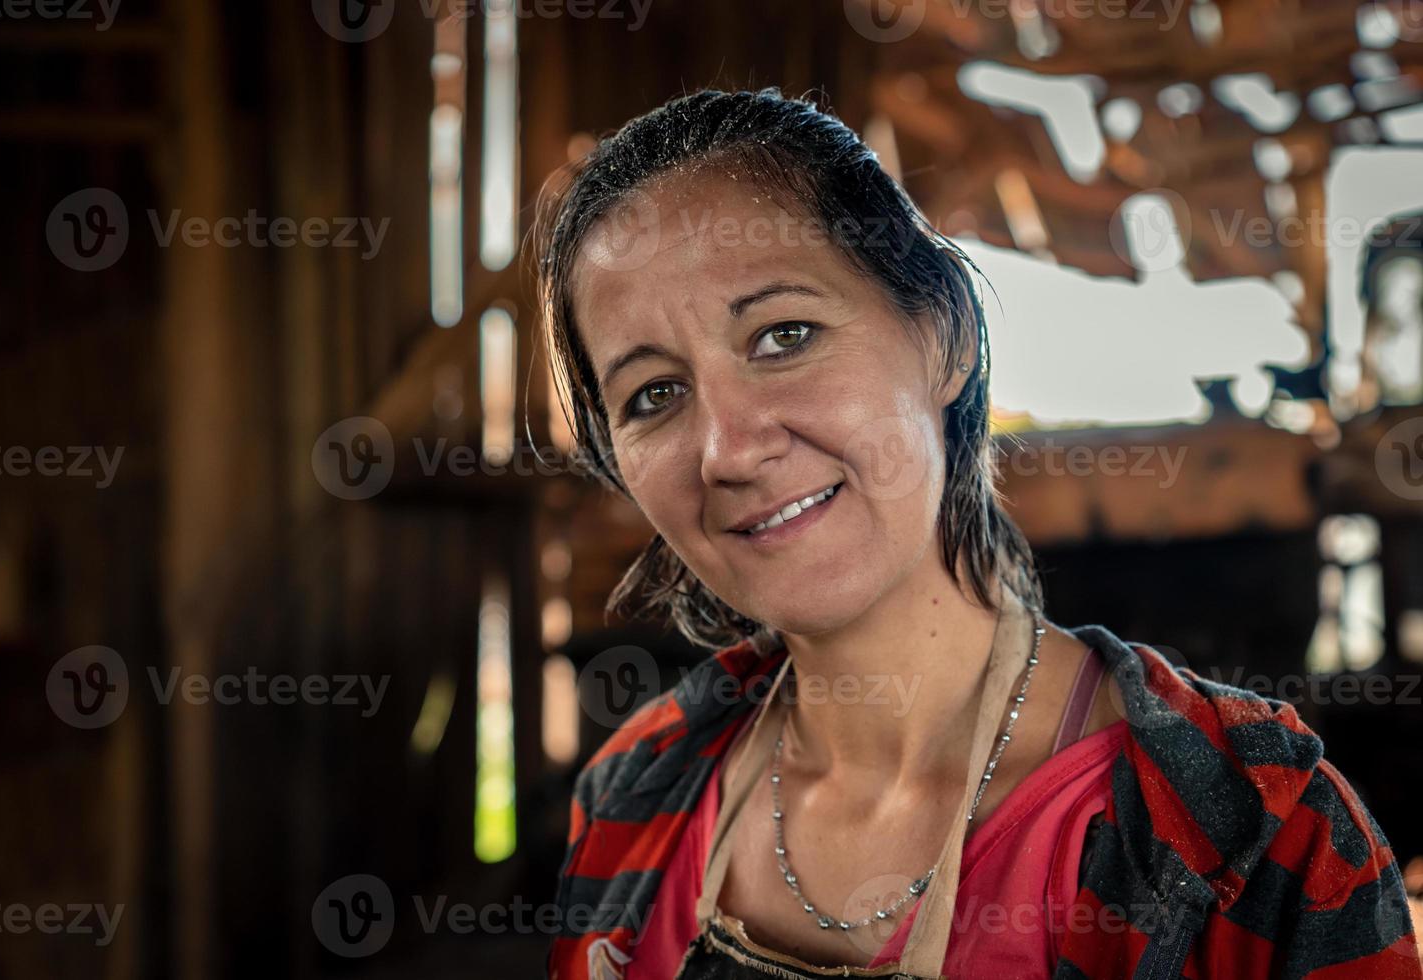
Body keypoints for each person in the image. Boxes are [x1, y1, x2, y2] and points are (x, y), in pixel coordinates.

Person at [535, 87, 1423, 979]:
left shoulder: (1251, 836)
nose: (726, 450)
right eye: (653, 394)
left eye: (784, 334)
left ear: (946, 336)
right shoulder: (635, 797)